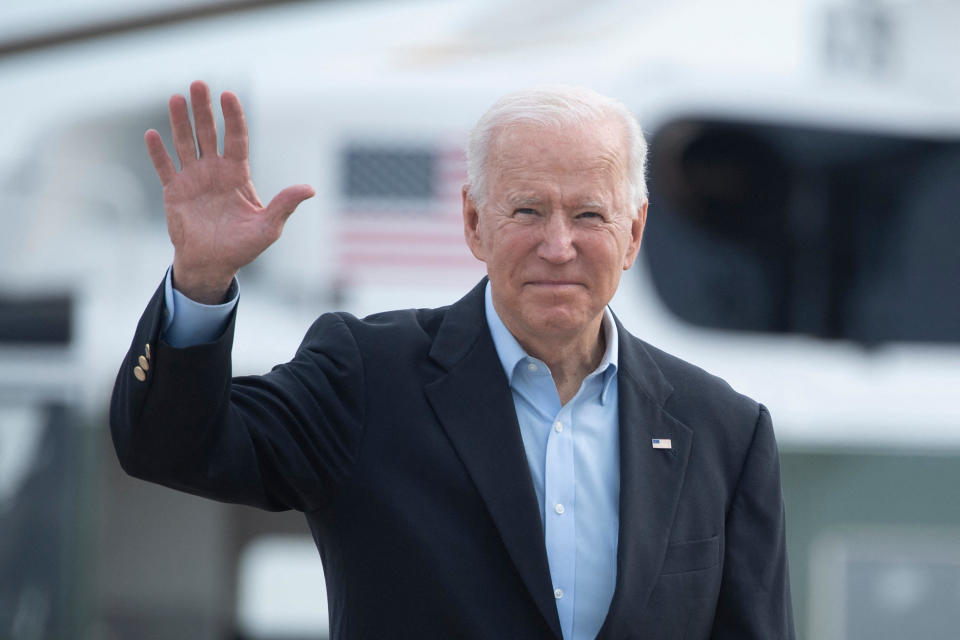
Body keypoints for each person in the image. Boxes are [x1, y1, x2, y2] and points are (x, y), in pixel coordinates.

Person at [111, 81, 795, 639]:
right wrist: (198, 284)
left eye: (588, 215)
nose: (558, 246)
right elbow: (172, 446)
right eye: (526, 211)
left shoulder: (724, 433)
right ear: (473, 223)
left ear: (634, 231)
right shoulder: (367, 377)